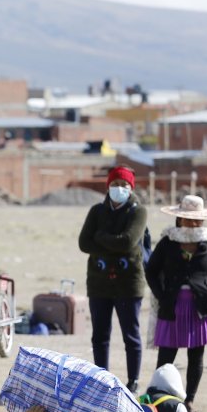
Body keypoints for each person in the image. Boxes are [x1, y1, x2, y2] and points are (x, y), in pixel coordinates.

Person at [145, 195, 207, 412]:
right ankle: (158, 402)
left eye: (196, 220)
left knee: (196, 356)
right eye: (188, 219)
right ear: (179, 218)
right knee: (165, 357)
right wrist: (161, 294)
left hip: (200, 308)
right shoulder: (168, 241)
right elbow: (151, 270)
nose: (192, 223)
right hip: (171, 306)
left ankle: (189, 401)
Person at [77, 165, 146, 392]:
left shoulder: (138, 212)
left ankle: (133, 381)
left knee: (130, 335)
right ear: (108, 186)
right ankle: (102, 380)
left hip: (129, 284)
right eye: (115, 184)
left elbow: (128, 241)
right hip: (99, 283)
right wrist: (113, 242)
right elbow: (83, 243)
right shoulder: (97, 211)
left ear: (131, 187)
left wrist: (100, 237)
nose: (119, 188)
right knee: (100, 336)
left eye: (124, 184)